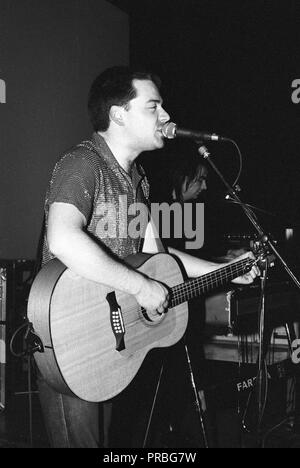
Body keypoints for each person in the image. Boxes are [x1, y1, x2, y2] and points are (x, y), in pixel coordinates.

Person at [35, 65, 259, 448]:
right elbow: (62, 239)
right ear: (119, 114)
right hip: (72, 337)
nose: (166, 116)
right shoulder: (83, 163)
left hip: (113, 342)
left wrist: (227, 271)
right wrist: (140, 286)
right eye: (153, 106)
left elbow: (160, 258)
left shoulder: (138, 179)